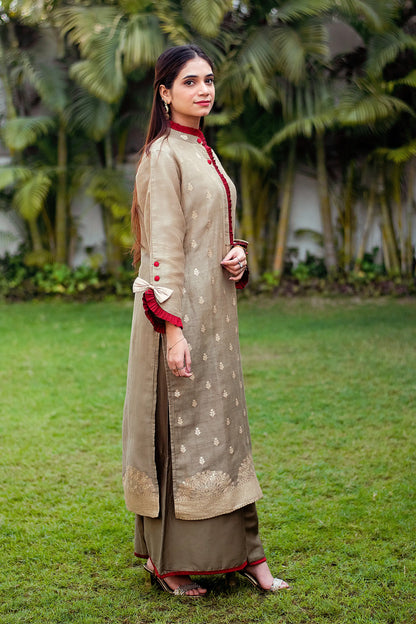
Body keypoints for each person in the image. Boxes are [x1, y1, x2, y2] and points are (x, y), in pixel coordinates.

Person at [122, 44, 289, 597]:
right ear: (165, 93)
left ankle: (248, 554)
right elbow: (162, 249)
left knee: (225, 434)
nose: (204, 90)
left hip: (218, 319)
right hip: (181, 322)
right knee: (185, 434)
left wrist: (236, 255)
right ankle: (170, 562)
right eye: (190, 82)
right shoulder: (163, 155)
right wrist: (173, 328)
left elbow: (210, 234)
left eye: (209, 80)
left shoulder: (205, 152)